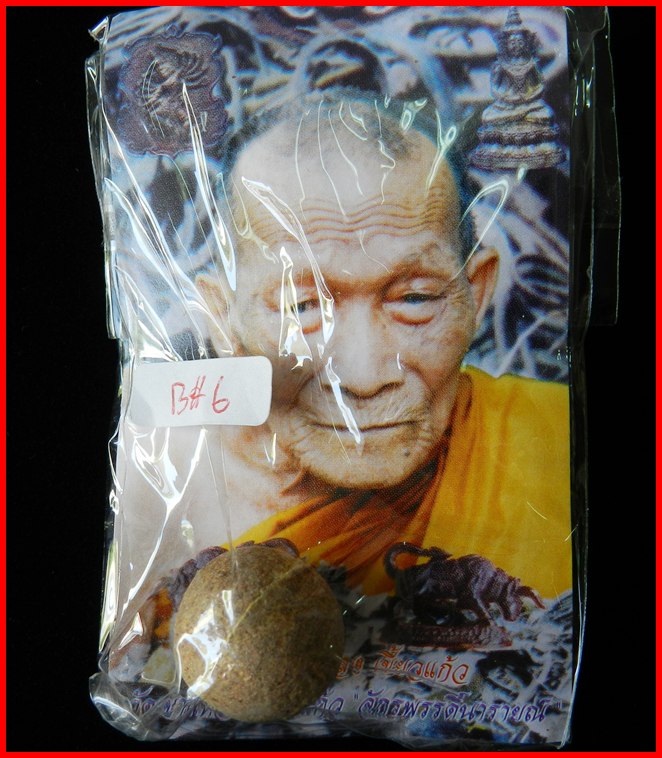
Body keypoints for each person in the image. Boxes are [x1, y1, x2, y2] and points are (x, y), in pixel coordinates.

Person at [112, 94, 570, 646]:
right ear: (221, 318)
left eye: (416, 299)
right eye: (301, 307)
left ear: (476, 292)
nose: (363, 377)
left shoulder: (554, 442)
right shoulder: (162, 477)